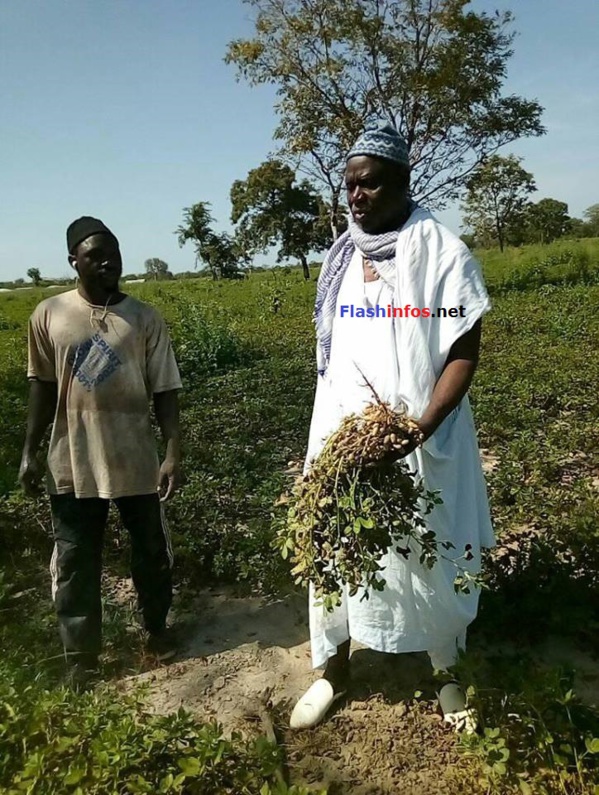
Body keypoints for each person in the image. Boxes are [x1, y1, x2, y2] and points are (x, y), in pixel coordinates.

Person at [290, 124, 495, 730]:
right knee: (336, 545)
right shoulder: (341, 257)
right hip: (343, 435)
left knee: (429, 543)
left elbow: (463, 353)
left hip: (420, 433)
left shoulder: (443, 254)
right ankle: (333, 667)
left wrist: (421, 427)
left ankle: (446, 671)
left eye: (369, 183)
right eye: (349, 185)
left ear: (403, 182)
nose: (356, 196)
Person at [19, 216, 183, 689]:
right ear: (74, 260)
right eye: (96, 254)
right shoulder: (48, 315)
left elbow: (166, 389)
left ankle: (156, 630)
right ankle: (81, 658)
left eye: (113, 251)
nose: (109, 260)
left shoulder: (145, 318)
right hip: (71, 460)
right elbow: (41, 388)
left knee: (151, 551)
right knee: (74, 560)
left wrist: (172, 451)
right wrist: (29, 452)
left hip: (135, 458)